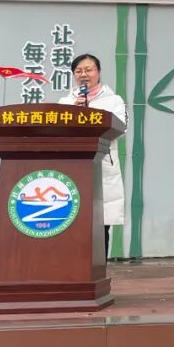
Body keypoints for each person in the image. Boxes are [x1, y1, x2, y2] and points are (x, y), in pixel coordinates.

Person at [58, 54, 127, 256]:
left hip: (101, 165)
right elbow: (59, 131)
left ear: (98, 72)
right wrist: (74, 112)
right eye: (79, 71)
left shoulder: (114, 101)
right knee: (72, 219)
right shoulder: (65, 102)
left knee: (100, 222)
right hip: (73, 166)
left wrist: (89, 115)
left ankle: (98, 267)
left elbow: (121, 129)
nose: (83, 74)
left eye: (88, 70)